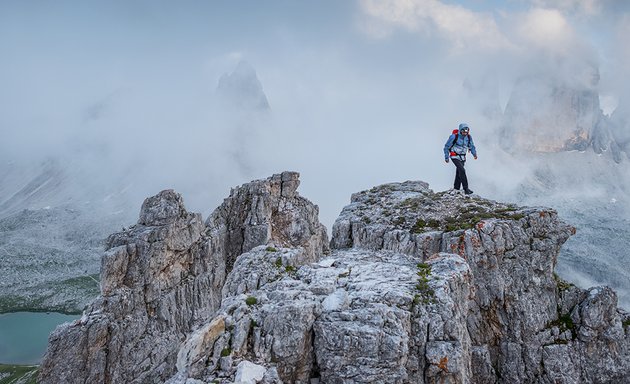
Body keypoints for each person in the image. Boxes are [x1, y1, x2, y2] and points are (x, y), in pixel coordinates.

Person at [444, 123, 477, 194]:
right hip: (454, 156)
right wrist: (446, 157)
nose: (465, 133)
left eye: (466, 132)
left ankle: (456, 188)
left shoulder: (468, 137)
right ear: (460, 130)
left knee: (459, 172)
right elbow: (446, 147)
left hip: (462, 157)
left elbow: (471, 146)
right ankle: (466, 189)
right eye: (464, 132)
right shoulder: (453, 137)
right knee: (462, 170)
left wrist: (474, 154)